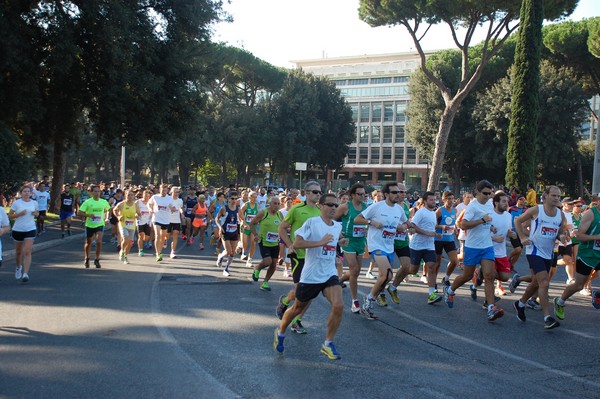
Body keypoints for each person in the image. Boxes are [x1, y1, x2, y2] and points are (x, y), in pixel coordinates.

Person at [273, 193, 347, 360]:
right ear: (320, 206)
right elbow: (297, 243)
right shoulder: (312, 223)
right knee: (297, 309)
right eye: (330, 205)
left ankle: (328, 344)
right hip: (311, 275)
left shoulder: (336, 226)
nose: (334, 208)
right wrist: (320, 243)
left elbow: (332, 243)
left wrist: (339, 244)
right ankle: (280, 332)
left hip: (329, 273)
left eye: (336, 205)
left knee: (339, 305)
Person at [443, 180, 505, 322]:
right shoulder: (472, 207)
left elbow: (489, 221)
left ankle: (490, 308)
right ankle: (450, 290)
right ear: (477, 192)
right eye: (485, 193)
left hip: (487, 246)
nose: (488, 196)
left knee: (489, 275)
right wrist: (481, 221)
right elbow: (463, 224)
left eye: (490, 193)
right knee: (467, 276)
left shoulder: (490, 204)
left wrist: (491, 227)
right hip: (472, 246)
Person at [513, 185, 566, 329]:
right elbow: (517, 221)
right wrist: (523, 237)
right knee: (544, 282)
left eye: (558, 196)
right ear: (546, 196)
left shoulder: (560, 214)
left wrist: (562, 237)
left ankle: (520, 303)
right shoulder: (537, 210)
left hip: (548, 253)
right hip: (534, 250)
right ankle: (547, 317)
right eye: (554, 195)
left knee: (536, 282)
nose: (556, 198)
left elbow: (560, 233)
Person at [354, 182, 409, 319]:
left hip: (389, 246)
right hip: (376, 245)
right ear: (386, 194)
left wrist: (403, 227)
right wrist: (371, 222)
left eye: (399, 192)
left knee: (387, 277)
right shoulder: (377, 206)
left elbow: (406, 222)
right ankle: (369, 301)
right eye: (394, 192)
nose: (398, 195)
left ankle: (370, 297)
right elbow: (358, 218)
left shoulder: (399, 209)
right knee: (386, 273)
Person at [276, 181, 322, 334]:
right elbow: (282, 228)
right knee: (300, 290)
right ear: (307, 193)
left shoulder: (321, 211)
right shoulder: (296, 209)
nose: (318, 195)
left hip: (313, 257)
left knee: (308, 292)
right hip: (298, 255)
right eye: (315, 192)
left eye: (319, 192)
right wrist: (290, 245)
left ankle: (297, 320)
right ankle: (285, 301)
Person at [387, 191, 442, 306]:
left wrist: (436, 233)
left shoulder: (433, 213)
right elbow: (413, 226)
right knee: (412, 270)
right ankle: (393, 286)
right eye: (431, 200)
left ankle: (432, 293)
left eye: (435, 200)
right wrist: (426, 233)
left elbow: (431, 227)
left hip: (429, 246)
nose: (433, 202)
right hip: (416, 246)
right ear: (425, 201)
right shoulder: (421, 212)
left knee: (432, 267)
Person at [552, 198, 600, 321]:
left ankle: (598, 295)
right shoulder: (591, 213)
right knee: (579, 285)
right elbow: (579, 235)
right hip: (587, 254)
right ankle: (560, 301)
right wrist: (596, 237)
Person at [336, 183, 368, 313]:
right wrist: (339, 233)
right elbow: (332, 220)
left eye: (364, 194)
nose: (362, 196)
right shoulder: (345, 207)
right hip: (348, 241)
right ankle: (355, 301)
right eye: (359, 194)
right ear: (353, 195)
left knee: (356, 271)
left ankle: (339, 280)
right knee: (354, 269)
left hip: (360, 241)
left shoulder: (365, 206)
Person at [249, 196, 283, 291]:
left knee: (273, 264)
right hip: (264, 241)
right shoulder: (263, 213)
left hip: (275, 242)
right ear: (270, 204)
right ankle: (257, 268)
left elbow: (283, 227)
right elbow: (252, 223)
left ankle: (265, 282)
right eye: (274, 203)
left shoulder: (280, 215)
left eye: (278, 204)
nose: (276, 206)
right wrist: (255, 234)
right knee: (268, 261)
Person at [8, 186, 39, 283]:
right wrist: (19, 214)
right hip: (18, 229)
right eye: (24, 191)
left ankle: (25, 274)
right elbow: (10, 215)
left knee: (27, 251)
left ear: (31, 193)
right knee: (18, 252)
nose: (26, 193)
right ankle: (18, 267)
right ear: (21, 193)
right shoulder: (17, 203)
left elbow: (37, 213)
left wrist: (36, 214)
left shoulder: (34, 203)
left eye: (28, 191)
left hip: (30, 228)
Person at [78, 185, 111, 269]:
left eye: (98, 191)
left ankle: (97, 259)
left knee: (99, 241)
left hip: (100, 224)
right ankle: (87, 258)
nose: (97, 193)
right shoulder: (88, 202)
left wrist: (107, 218)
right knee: (88, 242)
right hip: (90, 224)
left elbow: (108, 209)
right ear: (92, 192)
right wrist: (88, 215)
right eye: (95, 191)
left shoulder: (103, 201)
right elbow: (79, 212)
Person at [435, 190, 458, 288]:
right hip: (438, 239)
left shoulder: (455, 210)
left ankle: (446, 278)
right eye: (449, 199)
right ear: (444, 200)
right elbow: (433, 225)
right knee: (437, 263)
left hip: (449, 239)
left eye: (452, 199)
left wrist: (455, 229)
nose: (451, 201)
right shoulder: (439, 211)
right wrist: (442, 227)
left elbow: (453, 222)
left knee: (454, 261)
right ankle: (433, 282)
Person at [215, 191, 241, 276]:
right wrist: (220, 227)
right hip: (225, 232)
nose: (234, 200)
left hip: (234, 232)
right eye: (232, 198)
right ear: (228, 199)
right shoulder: (224, 208)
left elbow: (242, 220)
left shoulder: (238, 209)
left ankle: (226, 268)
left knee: (233, 252)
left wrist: (244, 225)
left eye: (235, 199)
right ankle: (221, 256)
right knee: (228, 250)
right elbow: (216, 219)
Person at [148, 183, 176, 262]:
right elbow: (150, 204)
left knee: (162, 237)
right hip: (156, 218)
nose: (163, 191)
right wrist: (150, 209)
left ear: (167, 190)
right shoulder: (155, 197)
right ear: (159, 189)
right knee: (157, 235)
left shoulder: (169, 198)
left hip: (165, 220)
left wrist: (173, 209)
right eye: (162, 189)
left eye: (165, 190)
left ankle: (160, 252)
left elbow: (172, 206)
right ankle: (158, 253)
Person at [113, 189, 140, 264]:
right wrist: (118, 216)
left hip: (132, 225)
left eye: (132, 195)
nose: (130, 197)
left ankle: (125, 256)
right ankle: (122, 250)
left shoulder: (135, 205)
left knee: (130, 242)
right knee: (126, 238)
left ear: (134, 196)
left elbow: (139, 213)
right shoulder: (122, 204)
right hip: (123, 224)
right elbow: (114, 210)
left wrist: (137, 215)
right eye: (128, 195)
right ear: (125, 195)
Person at [239, 190, 259, 266]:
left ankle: (250, 259)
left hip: (253, 227)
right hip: (245, 226)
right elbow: (240, 214)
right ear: (249, 197)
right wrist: (243, 223)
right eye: (253, 197)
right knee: (245, 242)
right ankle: (243, 252)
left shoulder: (257, 205)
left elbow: (258, 215)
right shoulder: (245, 205)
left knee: (253, 242)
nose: (254, 198)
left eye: (255, 197)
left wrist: (257, 220)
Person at [166, 187, 184, 259]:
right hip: (168, 220)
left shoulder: (180, 200)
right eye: (175, 192)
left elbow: (181, 208)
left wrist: (182, 213)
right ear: (171, 192)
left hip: (176, 220)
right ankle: (165, 239)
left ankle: (173, 251)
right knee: (167, 235)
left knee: (175, 235)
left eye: (178, 192)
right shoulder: (168, 199)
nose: (176, 193)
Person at [136, 189, 153, 256]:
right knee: (140, 236)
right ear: (142, 195)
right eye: (145, 196)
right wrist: (136, 214)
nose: (146, 197)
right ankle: (140, 250)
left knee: (146, 238)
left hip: (148, 221)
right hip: (140, 221)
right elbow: (134, 210)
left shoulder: (151, 203)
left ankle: (146, 242)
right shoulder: (138, 202)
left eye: (147, 196)